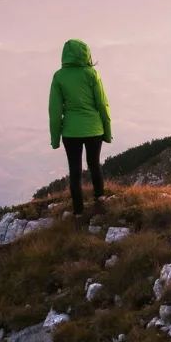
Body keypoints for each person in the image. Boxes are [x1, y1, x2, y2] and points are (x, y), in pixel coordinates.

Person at [48, 39, 112, 215]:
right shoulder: (92, 74)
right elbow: (103, 105)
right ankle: (100, 200)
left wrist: (55, 139)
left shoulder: (59, 76)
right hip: (94, 129)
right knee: (94, 164)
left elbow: (54, 111)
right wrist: (107, 132)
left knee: (75, 170)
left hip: (70, 132)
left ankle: (78, 213)